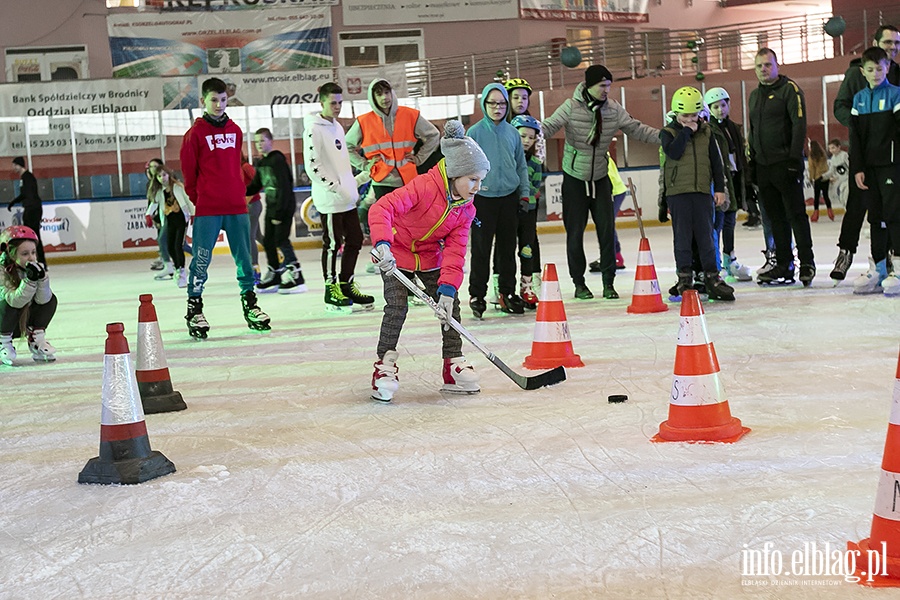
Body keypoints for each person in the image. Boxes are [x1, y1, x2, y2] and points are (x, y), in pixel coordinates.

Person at [368, 120, 489, 402]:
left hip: (430, 256)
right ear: (456, 173)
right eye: (473, 179)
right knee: (396, 306)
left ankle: (453, 364)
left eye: (480, 180)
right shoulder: (423, 186)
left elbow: (456, 252)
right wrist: (382, 244)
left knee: (451, 307)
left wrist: (447, 289)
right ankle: (384, 365)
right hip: (396, 252)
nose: (477, 187)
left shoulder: (466, 209)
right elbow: (381, 207)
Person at [542, 64, 659, 300]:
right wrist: (526, 131)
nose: (606, 90)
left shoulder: (613, 110)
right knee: (574, 234)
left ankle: (608, 282)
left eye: (608, 85)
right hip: (574, 179)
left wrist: (665, 136)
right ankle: (579, 283)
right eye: (602, 85)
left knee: (607, 232)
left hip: (600, 178)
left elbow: (636, 129)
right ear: (588, 85)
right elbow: (549, 126)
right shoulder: (571, 107)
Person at [180, 77, 270, 339]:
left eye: (222, 100)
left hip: (236, 207)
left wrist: (238, 194)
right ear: (203, 101)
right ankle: (194, 307)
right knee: (201, 259)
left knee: (244, 258)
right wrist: (201, 198)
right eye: (213, 100)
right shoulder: (194, 134)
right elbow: (189, 173)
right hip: (208, 208)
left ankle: (250, 303)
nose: (218, 105)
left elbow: (235, 168)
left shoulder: (236, 130)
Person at [830, 25, 900, 283]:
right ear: (875, 41)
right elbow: (840, 106)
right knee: (858, 208)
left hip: (889, 160)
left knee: (890, 211)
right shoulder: (855, 77)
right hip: (864, 158)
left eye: (896, 43)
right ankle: (847, 254)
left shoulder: (895, 76)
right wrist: (863, 126)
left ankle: (889, 262)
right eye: (888, 42)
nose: (893, 46)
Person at [303, 82, 375, 313]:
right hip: (331, 200)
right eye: (333, 103)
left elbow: (340, 164)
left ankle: (346, 284)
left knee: (354, 240)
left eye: (340, 103)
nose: (337, 107)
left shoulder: (337, 127)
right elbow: (313, 167)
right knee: (333, 244)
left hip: (347, 198)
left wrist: (356, 180)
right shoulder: (314, 128)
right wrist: (335, 188)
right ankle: (330, 288)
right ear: (321, 102)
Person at [748, 48, 815, 287]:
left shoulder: (790, 90)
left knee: (796, 215)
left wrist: (793, 160)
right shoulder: (755, 96)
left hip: (785, 165)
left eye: (767, 65)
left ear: (777, 65)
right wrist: (752, 162)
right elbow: (752, 131)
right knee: (775, 218)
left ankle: (807, 263)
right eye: (759, 66)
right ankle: (784, 264)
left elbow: (799, 126)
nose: (763, 70)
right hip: (764, 167)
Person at [660, 87, 734, 302]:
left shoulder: (707, 132)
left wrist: (719, 189)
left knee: (706, 237)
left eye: (694, 115)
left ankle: (712, 277)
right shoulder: (668, 132)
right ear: (676, 114)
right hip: (678, 194)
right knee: (682, 238)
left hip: (702, 192)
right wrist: (685, 132)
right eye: (685, 116)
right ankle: (684, 279)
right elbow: (673, 152)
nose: (690, 120)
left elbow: (716, 163)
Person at [466, 82, 530, 317]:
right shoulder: (474, 133)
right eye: (492, 103)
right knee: (481, 249)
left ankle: (507, 293)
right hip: (483, 200)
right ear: (484, 104)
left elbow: (521, 166)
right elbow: (466, 169)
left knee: (507, 248)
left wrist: (524, 194)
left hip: (509, 199)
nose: (497, 108)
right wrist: (467, 197)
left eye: (502, 103)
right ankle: (477, 294)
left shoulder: (513, 132)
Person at [848, 46, 900, 295]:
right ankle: (878, 268)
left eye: (880, 68)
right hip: (868, 170)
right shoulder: (858, 100)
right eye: (870, 69)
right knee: (875, 218)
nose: (875, 73)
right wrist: (858, 168)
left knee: (894, 216)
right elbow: (855, 139)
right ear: (863, 71)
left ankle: (897, 269)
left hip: (891, 166)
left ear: (888, 67)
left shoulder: (896, 95)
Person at [346, 78, 439, 201]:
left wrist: (419, 158)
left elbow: (434, 135)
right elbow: (346, 146)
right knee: (387, 219)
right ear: (373, 98)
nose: (384, 97)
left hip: (407, 179)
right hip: (381, 182)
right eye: (379, 94)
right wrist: (365, 165)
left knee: (408, 219)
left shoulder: (410, 115)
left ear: (392, 93)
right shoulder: (363, 122)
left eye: (387, 92)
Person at [246, 128, 307, 295]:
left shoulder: (277, 160)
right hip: (271, 207)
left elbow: (285, 187)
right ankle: (275, 275)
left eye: (262, 141)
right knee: (269, 242)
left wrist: (280, 213)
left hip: (283, 208)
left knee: (281, 240)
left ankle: (297, 276)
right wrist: (237, 191)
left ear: (270, 142)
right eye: (257, 141)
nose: (259, 144)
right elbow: (256, 185)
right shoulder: (262, 163)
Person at [704, 87, 754, 282]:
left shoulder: (733, 128)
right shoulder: (709, 130)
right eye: (715, 107)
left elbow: (740, 156)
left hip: (735, 179)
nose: (720, 110)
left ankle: (729, 258)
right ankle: (715, 263)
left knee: (730, 222)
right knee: (717, 223)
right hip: (720, 181)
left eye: (723, 105)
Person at [0, 225, 56, 365]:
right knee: (6, 303)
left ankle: (36, 338)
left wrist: (42, 280)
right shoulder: (1, 272)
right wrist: (29, 282)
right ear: (10, 254)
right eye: (25, 254)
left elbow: (42, 301)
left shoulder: (32, 269)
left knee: (50, 299)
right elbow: (14, 302)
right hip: (4, 322)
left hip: (19, 323)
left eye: (33, 252)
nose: (31, 258)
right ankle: (3, 342)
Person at [511, 114, 543, 309]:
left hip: (527, 211)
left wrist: (527, 203)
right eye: (523, 136)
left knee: (527, 248)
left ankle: (527, 286)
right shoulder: (507, 160)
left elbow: (536, 187)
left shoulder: (535, 164)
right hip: (507, 209)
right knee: (504, 249)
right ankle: (503, 287)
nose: (527, 141)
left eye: (531, 138)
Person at [146, 165, 194, 289]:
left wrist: (193, 214)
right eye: (159, 176)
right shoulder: (159, 191)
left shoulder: (178, 187)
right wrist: (148, 215)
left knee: (178, 245)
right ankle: (177, 268)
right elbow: (154, 203)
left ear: (169, 174)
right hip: (169, 220)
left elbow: (188, 200)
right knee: (170, 246)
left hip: (181, 220)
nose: (162, 178)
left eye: (164, 175)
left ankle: (182, 272)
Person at [589, 155, 627, 273]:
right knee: (605, 224)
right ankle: (612, 256)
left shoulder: (599, 156)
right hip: (614, 191)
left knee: (606, 224)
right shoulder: (599, 153)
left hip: (613, 192)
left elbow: (606, 176)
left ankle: (614, 257)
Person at [7, 157, 45, 266]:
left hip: (33, 209)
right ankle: (38, 260)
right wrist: (14, 202)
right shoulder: (24, 178)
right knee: (31, 236)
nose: (13, 167)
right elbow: (24, 194)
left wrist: (29, 208)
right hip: (31, 209)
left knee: (33, 236)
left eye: (14, 165)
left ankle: (40, 261)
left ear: (19, 165)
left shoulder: (28, 177)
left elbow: (30, 195)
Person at [241, 153, 263, 285]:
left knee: (250, 236)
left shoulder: (245, 167)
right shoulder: (236, 168)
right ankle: (278, 254)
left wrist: (248, 198)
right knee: (258, 236)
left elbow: (259, 183)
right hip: (247, 206)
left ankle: (255, 269)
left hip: (253, 206)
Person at [144, 158, 168, 273]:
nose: (152, 169)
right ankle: (165, 259)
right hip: (160, 216)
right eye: (151, 166)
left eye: (155, 166)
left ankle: (167, 261)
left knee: (167, 240)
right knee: (162, 238)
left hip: (169, 215)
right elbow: (153, 202)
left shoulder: (167, 182)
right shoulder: (151, 183)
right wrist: (149, 214)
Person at [807, 140, 833, 222]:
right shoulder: (823, 155)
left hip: (818, 178)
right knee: (826, 195)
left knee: (817, 197)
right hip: (825, 177)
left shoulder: (812, 156)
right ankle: (830, 212)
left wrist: (811, 178)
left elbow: (811, 169)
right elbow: (826, 166)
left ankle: (815, 214)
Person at [822, 138, 849, 208]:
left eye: (833, 148)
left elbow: (851, 167)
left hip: (848, 180)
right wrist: (823, 176)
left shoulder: (844, 155)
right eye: (830, 148)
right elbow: (831, 171)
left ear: (839, 147)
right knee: (841, 198)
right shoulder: (833, 158)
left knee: (846, 196)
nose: (831, 150)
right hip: (840, 181)